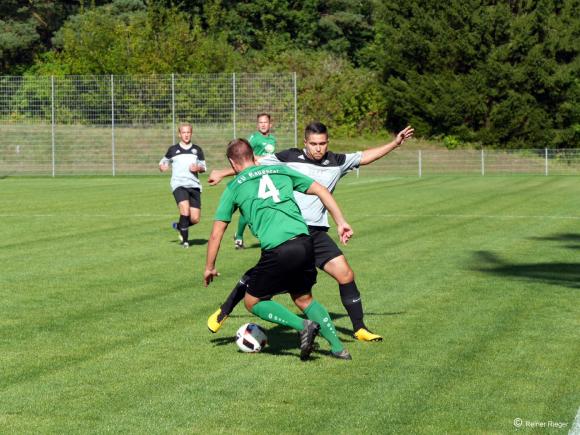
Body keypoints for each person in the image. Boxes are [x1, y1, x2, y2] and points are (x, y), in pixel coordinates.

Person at [207, 122, 414, 341]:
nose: (318, 148)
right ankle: (225, 310)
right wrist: (223, 172)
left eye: (322, 143)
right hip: (287, 227)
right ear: (305, 142)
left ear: (328, 142)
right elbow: (252, 165)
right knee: (258, 279)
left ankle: (360, 328)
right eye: (313, 144)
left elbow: (364, 156)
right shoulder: (288, 157)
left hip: (314, 232)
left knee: (345, 274)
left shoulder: (337, 162)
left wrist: (394, 143)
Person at [204, 138, 353, 360]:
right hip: (305, 242)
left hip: (278, 250)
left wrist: (209, 267)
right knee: (303, 298)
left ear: (232, 164)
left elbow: (217, 233)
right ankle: (338, 348)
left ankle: (303, 326)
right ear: (254, 156)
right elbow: (321, 190)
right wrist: (340, 221)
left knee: (252, 301)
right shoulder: (280, 170)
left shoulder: (234, 187)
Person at [234, 113, 278, 249]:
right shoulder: (254, 137)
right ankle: (239, 237)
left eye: (265, 122)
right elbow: (246, 153)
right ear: (257, 124)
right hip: (252, 175)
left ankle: (269, 235)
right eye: (260, 122)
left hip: (265, 176)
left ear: (270, 124)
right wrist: (260, 159)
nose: (263, 125)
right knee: (249, 209)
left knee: (268, 204)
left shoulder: (272, 139)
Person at [159, 123, 206, 248]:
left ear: (191, 133)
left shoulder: (197, 150)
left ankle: (180, 226)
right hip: (179, 184)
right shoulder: (173, 150)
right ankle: (185, 242)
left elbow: (203, 167)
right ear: (179, 134)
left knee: (195, 219)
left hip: (194, 185)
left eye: (188, 132)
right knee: (184, 209)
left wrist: (198, 168)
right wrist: (162, 167)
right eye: (183, 132)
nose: (186, 135)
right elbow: (163, 162)